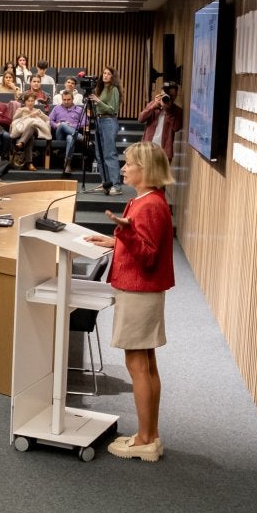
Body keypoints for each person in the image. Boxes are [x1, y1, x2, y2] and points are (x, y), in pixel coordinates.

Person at [82, 142, 175, 462]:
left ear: (145, 169)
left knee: (138, 365)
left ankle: (145, 440)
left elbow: (147, 255)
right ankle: (150, 434)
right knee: (146, 364)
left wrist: (126, 233)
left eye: (129, 164)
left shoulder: (148, 206)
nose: (123, 168)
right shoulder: (149, 200)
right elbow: (146, 245)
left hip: (139, 291)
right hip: (143, 291)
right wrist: (115, 240)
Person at [91, 67, 123, 194]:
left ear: (113, 76)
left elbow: (113, 110)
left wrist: (98, 102)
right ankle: (106, 183)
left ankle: (116, 185)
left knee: (109, 154)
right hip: (99, 121)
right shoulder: (100, 89)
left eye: (108, 74)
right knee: (99, 155)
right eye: (104, 73)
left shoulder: (114, 89)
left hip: (109, 121)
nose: (105, 75)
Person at [9, 91, 52, 171]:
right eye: (28, 101)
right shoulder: (20, 109)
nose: (30, 103)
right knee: (30, 137)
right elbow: (14, 119)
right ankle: (29, 163)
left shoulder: (37, 110)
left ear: (34, 101)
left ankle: (20, 143)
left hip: (37, 131)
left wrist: (39, 114)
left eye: (32, 101)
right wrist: (22, 111)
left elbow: (48, 119)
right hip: (23, 131)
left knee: (32, 125)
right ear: (25, 102)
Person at [49, 87, 88, 174]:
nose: (66, 102)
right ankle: (81, 137)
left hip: (72, 133)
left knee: (70, 137)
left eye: (68, 99)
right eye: (64, 100)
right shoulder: (56, 108)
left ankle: (67, 164)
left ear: (73, 99)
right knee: (63, 124)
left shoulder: (79, 110)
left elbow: (85, 122)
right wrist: (56, 125)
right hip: (60, 134)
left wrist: (72, 125)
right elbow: (49, 120)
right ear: (62, 99)